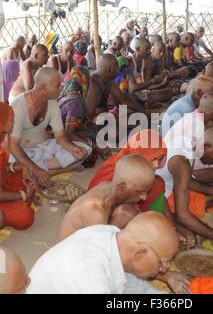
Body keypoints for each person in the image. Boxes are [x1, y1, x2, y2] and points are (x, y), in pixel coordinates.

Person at [27, 212, 179, 294]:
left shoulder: (114, 238)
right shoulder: (90, 279)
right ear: (139, 253)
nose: (164, 270)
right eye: (163, 262)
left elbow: (134, 287)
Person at [9, 67, 91, 188]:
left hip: (42, 148)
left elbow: (60, 136)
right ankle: (49, 170)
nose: (62, 88)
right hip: (21, 152)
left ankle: (39, 171)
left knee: (85, 150)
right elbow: (13, 146)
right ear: (43, 88)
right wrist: (35, 169)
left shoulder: (52, 103)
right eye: (57, 85)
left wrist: (71, 147)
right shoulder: (18, 105)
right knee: (13, 165)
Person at [57, 154, 155, 242]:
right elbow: (97, 255)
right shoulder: (95, 212)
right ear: (121, 187)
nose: (144, 197)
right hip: (69, 256)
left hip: (86, 242)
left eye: (146, 192)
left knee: (128, 214)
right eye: (140, 192)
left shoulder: (107, 187)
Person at [86, 54, 147, 141]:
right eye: (116, 68)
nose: (118, 71)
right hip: (94, 125)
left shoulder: (108, 80)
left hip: (108, 119)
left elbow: (124, 99)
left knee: (139, 121)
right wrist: (116, 121)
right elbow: (88, 117)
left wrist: (143, 112)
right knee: (126, 134)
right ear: (109, 69)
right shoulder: (93, 83)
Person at [0, 102, 35, 230]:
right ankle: (22, 201)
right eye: (11, 120)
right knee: (25, 216)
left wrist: (23, 167)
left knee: (27, 177)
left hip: (2, 184)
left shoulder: (3, 138)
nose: (14, 123)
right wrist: (24, 194)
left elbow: (3, 168)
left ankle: (21, 200)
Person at [59, 66, 90, 135]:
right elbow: (68, 135)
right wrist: (90, 143)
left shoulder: (64, 92)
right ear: (84, 81)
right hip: (57, 138)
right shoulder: (74, 102)